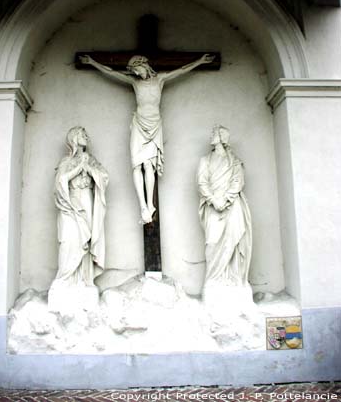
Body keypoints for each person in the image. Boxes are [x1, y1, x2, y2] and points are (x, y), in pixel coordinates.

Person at [80, 53, 214, 224]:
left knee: (149, 165)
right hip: (139, 124)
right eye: (134, 72)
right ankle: (143, 206)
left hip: (154, 125)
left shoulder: (160, 79)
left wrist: (200, 61)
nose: (137, 74)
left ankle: (150, 204)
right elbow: (112, 72)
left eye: (137, 70)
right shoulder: (135, 83)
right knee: (137, 165)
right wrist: (92, 62)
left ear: (144, 65)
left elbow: (182, 69)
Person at [51, 126, 109, 289]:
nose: (86, 137)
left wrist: (89, 168)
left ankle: (84, 280)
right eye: (82, 134)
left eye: (86, 134)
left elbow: (104, 177)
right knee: (70, 240)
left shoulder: (91, 160)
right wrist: (79, 168)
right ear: (74, 138)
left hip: (87, 200)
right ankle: (65, 279)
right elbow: (61, 181)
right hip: (71, 203)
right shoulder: (66, 161)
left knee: (86, 241)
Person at [197, 124, 252, 287]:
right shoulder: (205, 161)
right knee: (213, 242)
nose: (211, 135)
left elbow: (238, 180)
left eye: (214, 133)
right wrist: (214, 200)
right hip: (213, 205)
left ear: (222, 137)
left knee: (233, 239)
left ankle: (233, 278)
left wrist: (227, 198)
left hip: (232, 204)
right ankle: (214, 279)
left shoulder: (234, 161)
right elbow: (202, 182)